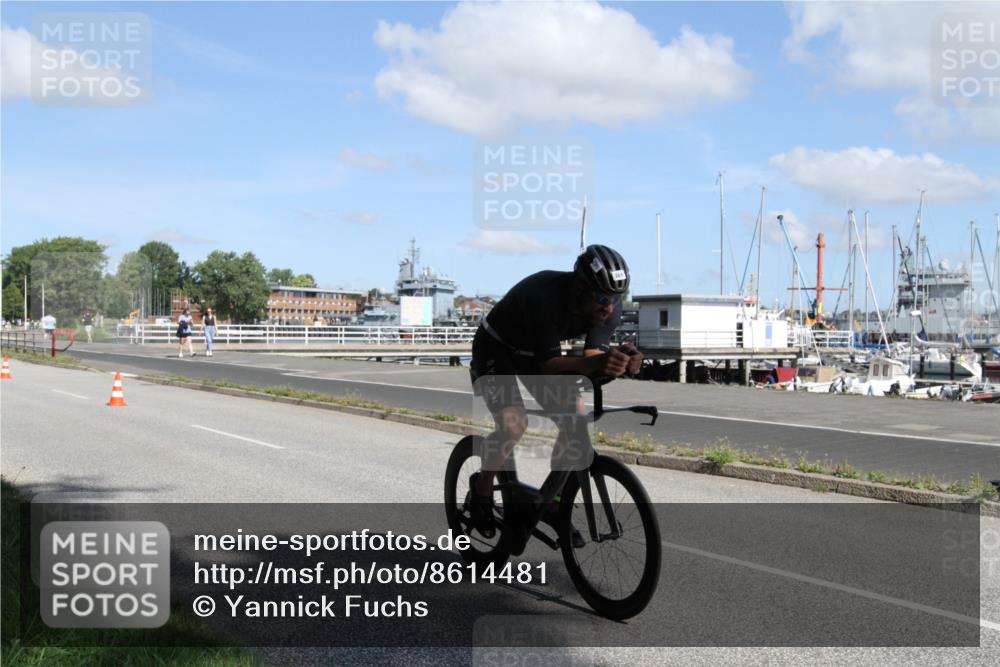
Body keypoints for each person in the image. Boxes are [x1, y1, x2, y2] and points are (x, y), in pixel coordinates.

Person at [467, 244, 642, 538]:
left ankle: (553, 503)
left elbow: (590, 358)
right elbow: (549, 365)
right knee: (514, 424)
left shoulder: (607, 309)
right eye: (601, 297)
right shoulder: (545, 295)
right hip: (496, 347)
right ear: (580, 289)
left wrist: (622, 363)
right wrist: (601, 362)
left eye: (616, 298)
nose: (609, 307)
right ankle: (482, 492)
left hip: (533, 354)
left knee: (575, 419)